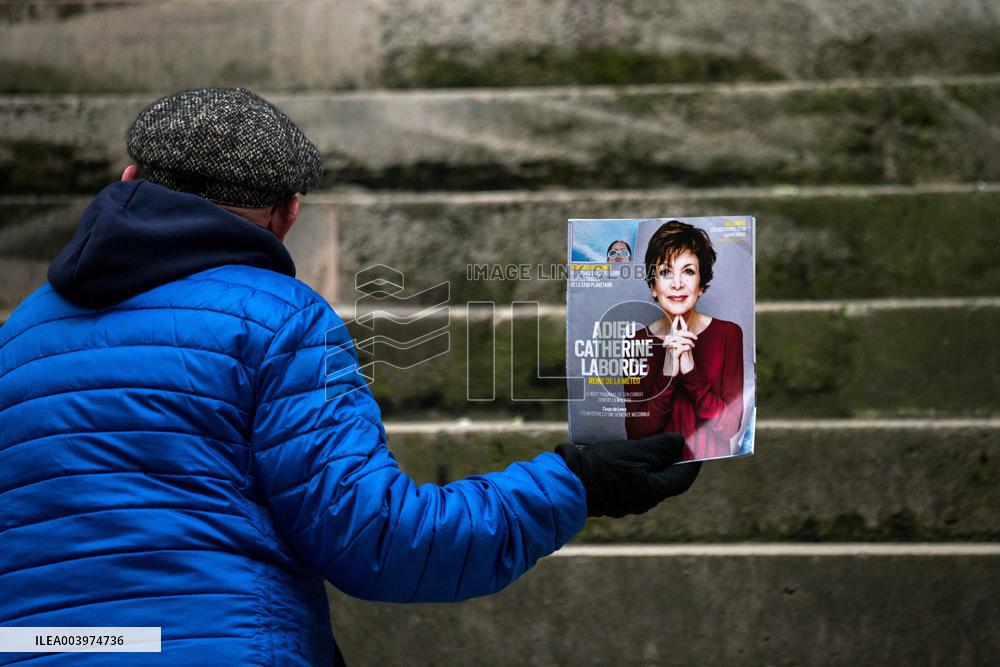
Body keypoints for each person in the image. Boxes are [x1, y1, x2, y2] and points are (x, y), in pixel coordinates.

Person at [0, 88, 700, 665]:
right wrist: (573, 481)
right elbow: (381, 540)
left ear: (129, 180)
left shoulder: (20, 332)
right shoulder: (278, 318)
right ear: (286, 216)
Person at [624, 220, 744, 461]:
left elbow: (730, 427)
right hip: (656, 472)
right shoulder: (635, 342)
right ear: (653, 286)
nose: (677, 283)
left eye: (688, 271)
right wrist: (668, 372)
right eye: (665, 272)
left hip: (711, 472)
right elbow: (636, 433)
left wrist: (690, 371)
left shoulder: (729, 334)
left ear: (701, 285)